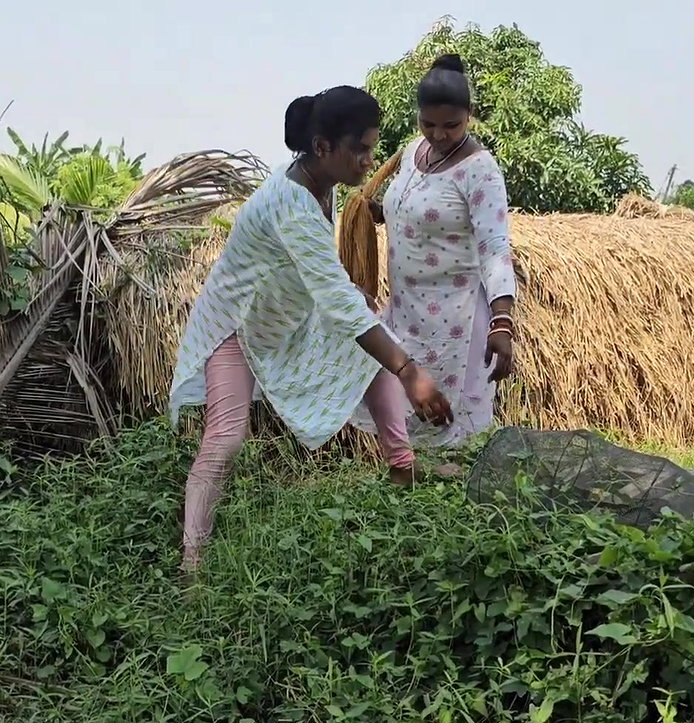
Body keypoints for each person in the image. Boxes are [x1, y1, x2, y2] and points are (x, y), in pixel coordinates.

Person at [168, 85, 453, 574]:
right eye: (360, 148)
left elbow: (319, 273)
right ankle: (193, 562)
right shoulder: (291, 203)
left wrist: (356, 300)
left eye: (372, 146)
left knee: (369, 345)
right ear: (323, 147)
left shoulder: (323, 183)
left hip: (287, 318)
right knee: (226, 438)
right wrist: (408, 370)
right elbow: (336, 298)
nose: (368, 160)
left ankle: (402, 467)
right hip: (237, 325)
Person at [355, 53, 517, 451]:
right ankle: (407, 502)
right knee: (403, 424)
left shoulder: (480, 170)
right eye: (428, 124)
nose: (439, 134)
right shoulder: (413, 153)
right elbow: (413, 209)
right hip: (407, 315)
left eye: (451, 125)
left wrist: (503, 321)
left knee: (451, 439)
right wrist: (376, 214)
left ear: (470, 115)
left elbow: (495, 246)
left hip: (455, 326)